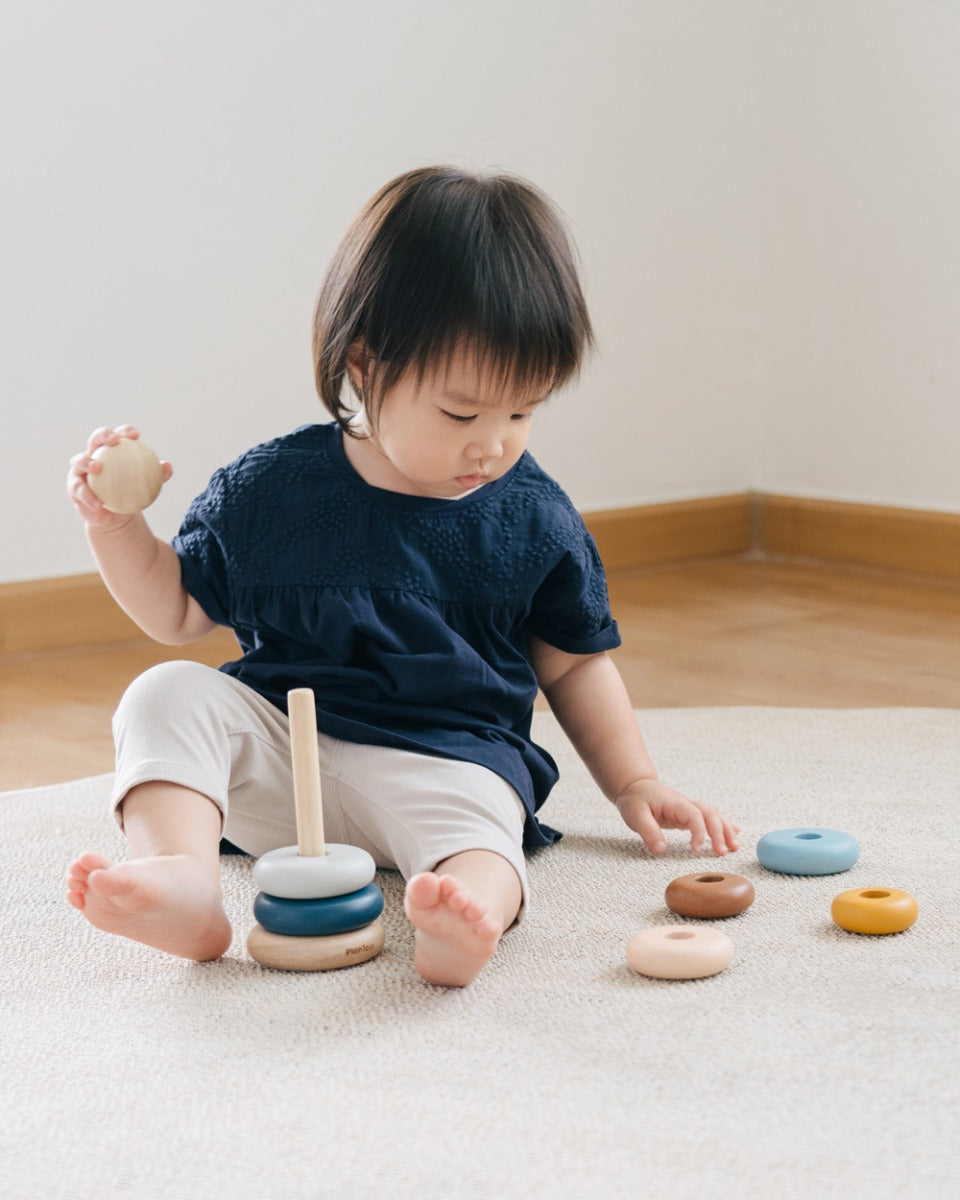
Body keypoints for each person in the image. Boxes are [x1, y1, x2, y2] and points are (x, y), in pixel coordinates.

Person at [65, 166, 739, 987]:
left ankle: (469, 911)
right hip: (287, 758)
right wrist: (118, 526)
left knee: (487, 820)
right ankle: (184, 879)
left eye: (522, 411)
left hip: (447, 764)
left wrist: (636, 780)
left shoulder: (533, 516)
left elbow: (574, 662)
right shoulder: (273, 489)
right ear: (366, 365)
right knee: (163, 694)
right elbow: (175, 611)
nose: (492, 444)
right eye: (462, 414)